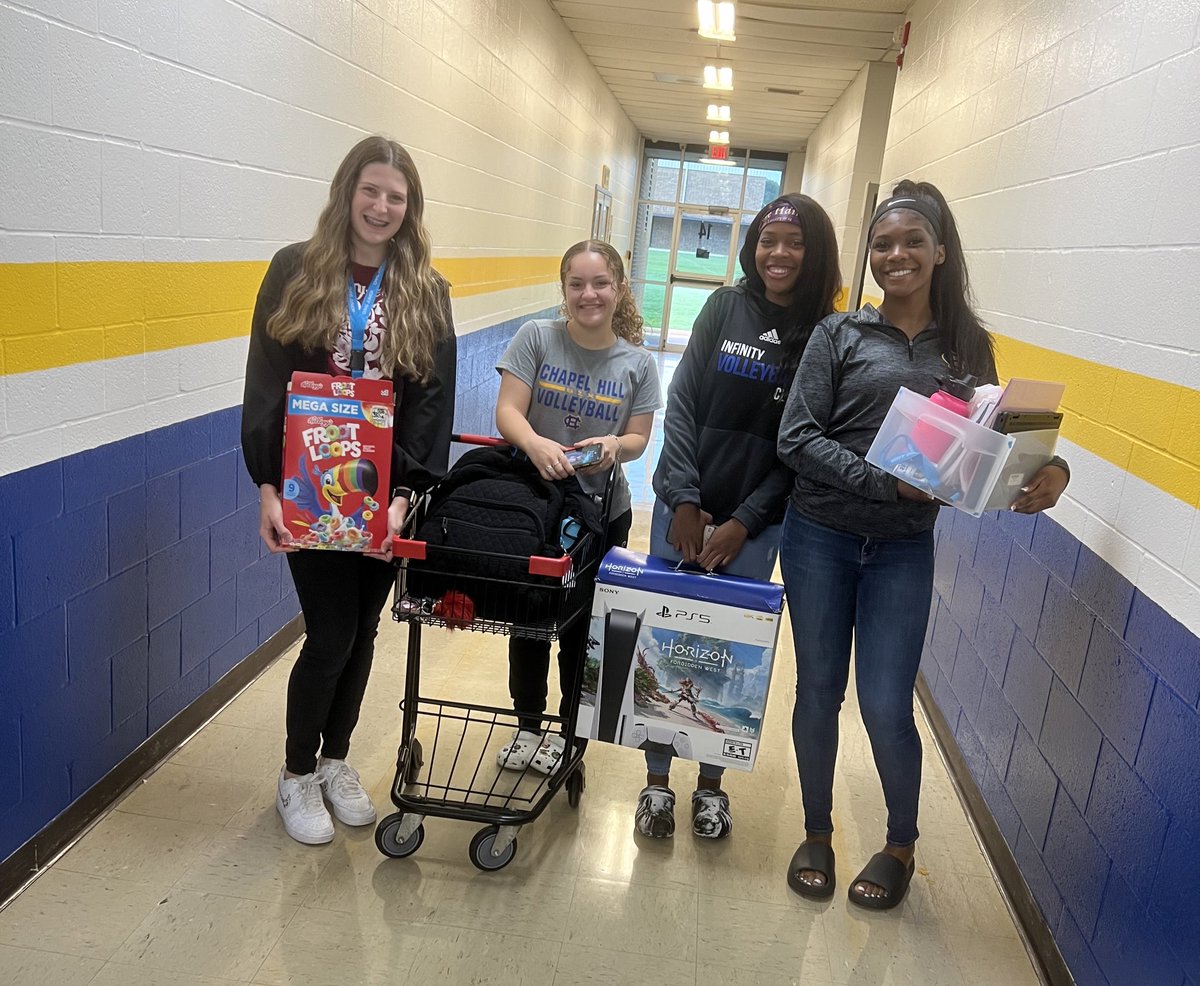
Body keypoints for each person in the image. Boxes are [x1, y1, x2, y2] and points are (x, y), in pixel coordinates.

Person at [777, 180, 1070, 908]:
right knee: (818, 691)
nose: (896, 254)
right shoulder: (839, 335)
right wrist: (886, 485)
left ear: (940, 252)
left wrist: (1052, 470)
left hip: (903, 551)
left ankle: (899, 845)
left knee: (884, 703)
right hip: (818, 536)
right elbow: (796, 436)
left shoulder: (970, 349)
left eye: (912, 241)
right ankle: (816, 829)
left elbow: (998, 449)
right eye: (882, 243)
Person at [241, 136, 456, 846]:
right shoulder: (294, 271)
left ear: (410, 207)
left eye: (396, 196)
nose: (382, 206)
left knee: (363, 630)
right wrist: (267, 486)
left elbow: (431, 401)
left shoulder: (426, 290)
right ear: (347, 192)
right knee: (330, 629)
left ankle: (337, 762)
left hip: (380, 499)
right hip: (308, 490)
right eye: (371, 191)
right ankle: (296, 773)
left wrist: (404, 498)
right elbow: (266, 381)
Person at [635, 195, 841, 841]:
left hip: (753, 528)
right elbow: (685, 400)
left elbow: (799, 446)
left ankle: (712, 790)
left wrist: (746, 520)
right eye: (768, 238)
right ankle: (657, 785)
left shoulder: (822, 335)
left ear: (817, 254)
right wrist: (686, 500)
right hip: (684, 510)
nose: (778, 253)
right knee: (664, 646)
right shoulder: (724, 307)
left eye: (795, 242)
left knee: (721, 657)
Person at [494, 239, 662, 775]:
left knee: (578, 629)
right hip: (536, 509)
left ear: (619, 289)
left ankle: (568, 734)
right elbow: (508, 413)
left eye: (600, 283)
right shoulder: (536, 339)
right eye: (576, 284)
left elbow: (638, 438)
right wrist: (536, 445)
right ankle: (527, 725)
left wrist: (616, 447)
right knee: (528, 624)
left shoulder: (638, 364)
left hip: (601, 515)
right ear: (563, 288)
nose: (588, 294)